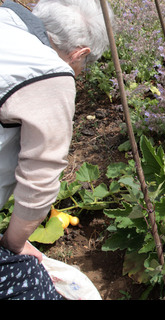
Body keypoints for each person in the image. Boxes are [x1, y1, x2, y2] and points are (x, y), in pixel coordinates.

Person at [0, 0, 113, 300]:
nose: (78, 72)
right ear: (80, 53)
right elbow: (40, 180)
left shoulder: (7, 19)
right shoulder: (50, 71)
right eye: (82, 67)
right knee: (33, 282)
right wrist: (13, 244)